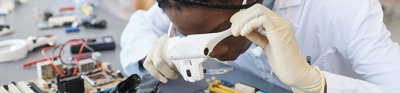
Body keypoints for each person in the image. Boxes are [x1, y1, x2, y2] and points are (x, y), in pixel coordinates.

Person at [120, 0, 400, 92]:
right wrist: (154, 54)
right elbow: (141, 26)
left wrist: (317, 83)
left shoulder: (344, 8)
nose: (215, 53)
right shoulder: (185, 5)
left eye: (220, 32)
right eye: (197, 38)